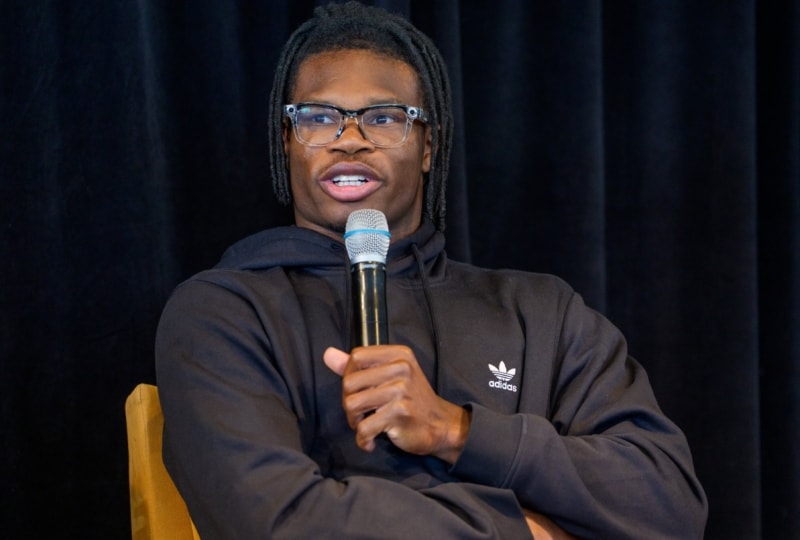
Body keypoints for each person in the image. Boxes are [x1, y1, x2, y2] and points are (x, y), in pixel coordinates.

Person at [155, 2, 708, 538]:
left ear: (428, 146)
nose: (350, 139)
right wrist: (528, 532)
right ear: (287, 143)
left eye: (384, 117)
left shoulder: (541, 312)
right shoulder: (222, 313)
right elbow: (280, 523)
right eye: (319, 118)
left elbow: (667, 504)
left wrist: (456, 430)